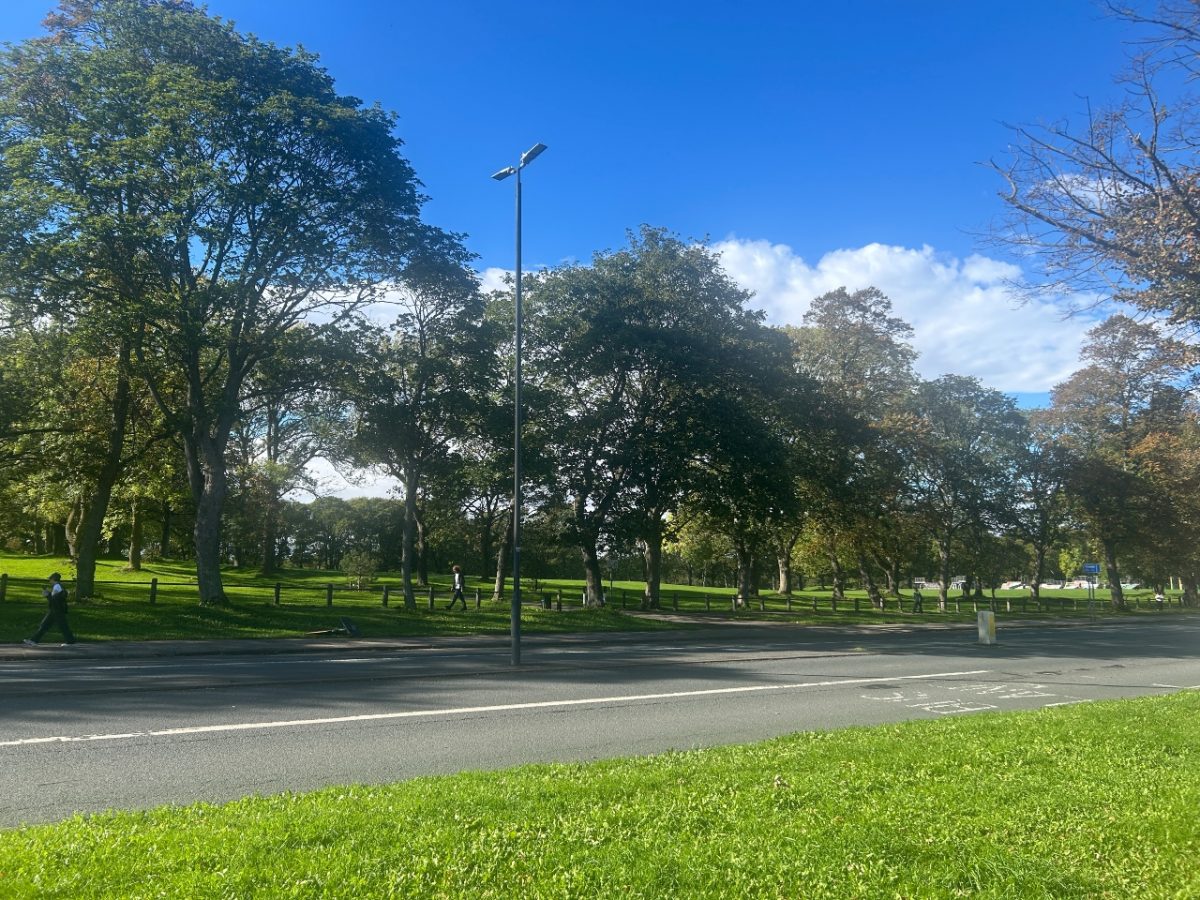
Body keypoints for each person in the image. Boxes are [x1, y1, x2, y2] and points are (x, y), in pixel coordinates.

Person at [24, 572, 76, 646]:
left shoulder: (57, 587)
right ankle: (34, 640)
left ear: (53, 579)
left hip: (57, 610)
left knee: (62, 626)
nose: (49, 581)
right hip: (55, 610)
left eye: (50, 579)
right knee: (45, 625)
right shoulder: (58, 586)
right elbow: (55, 599)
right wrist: (48, 594)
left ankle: (71, 641)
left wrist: (47, 595)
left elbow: (54, 600)